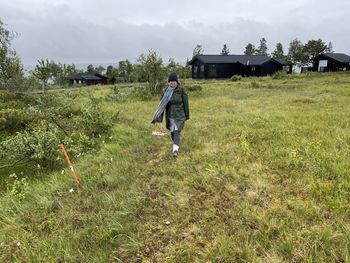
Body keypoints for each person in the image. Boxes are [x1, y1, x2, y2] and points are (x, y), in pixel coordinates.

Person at [151, 72, 189, 157]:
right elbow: (161, 106)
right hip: (170, 116)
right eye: (170, 81)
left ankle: (175, 150)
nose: (172, 83)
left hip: (179, 115)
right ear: (168, 82)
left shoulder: (181, 90)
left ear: (176, 81)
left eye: (173, 81)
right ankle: (176, 143)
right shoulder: (166, 92)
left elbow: (186, 103)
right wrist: (158, 118)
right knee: (172, 132)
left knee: (176, 131)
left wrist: (187, 115)